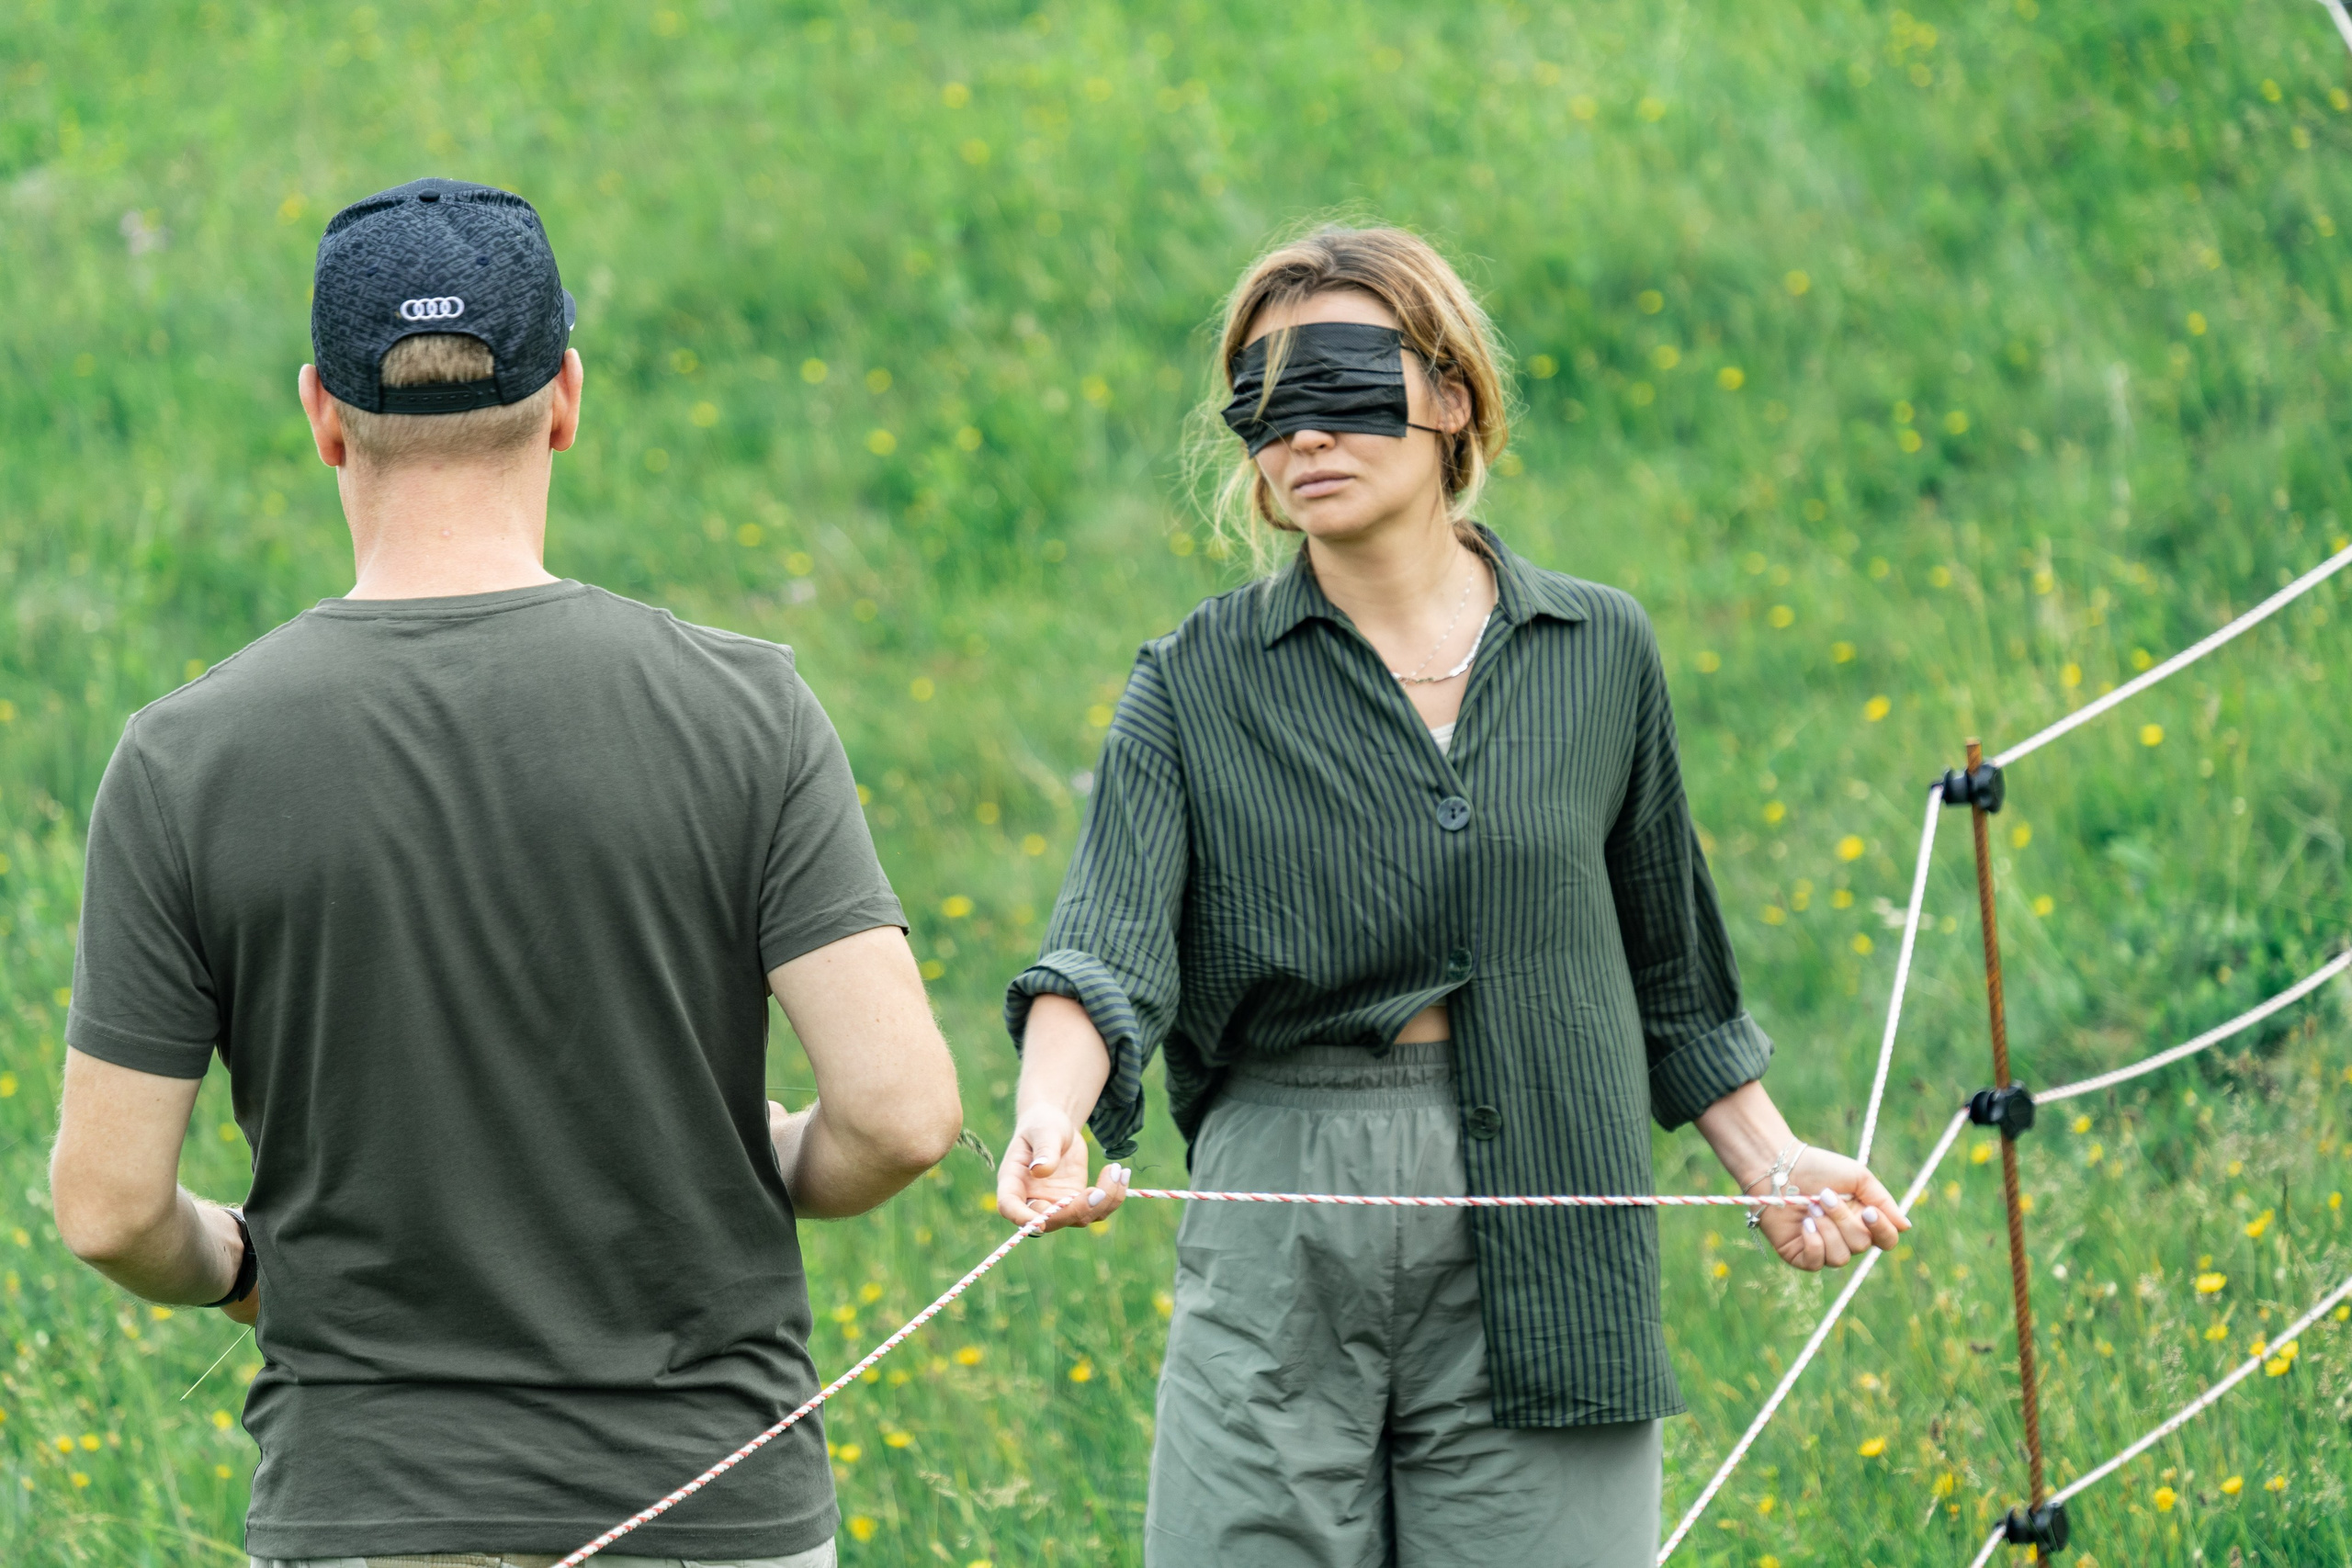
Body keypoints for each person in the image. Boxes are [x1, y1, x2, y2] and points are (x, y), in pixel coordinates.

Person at [48, 177, 964, 1568]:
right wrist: (765, 1152)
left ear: (321, 418)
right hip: (712, 1507)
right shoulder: (747, 710)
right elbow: (900, 1117)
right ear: (567, 399)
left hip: (368, 1506)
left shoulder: (183, 759)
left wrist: (239, 1265)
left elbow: (108, 1207)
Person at [993, 225, 1913, 1568]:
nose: (1297, 433)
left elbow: (1672, 969)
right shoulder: (1194, 682)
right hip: (1285, 1231)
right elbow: (1104, 954)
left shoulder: (1600, 651)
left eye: (1345, 384)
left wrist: (1771, 1164)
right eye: (1260, 401)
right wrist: (1048, 1113)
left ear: (1453, 395)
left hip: (1557, 1202)